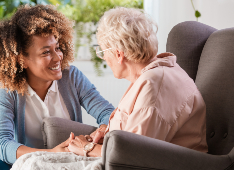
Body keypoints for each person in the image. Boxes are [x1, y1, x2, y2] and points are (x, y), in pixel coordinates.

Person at [0, 4, 115, 170]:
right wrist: (49, 154)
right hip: (26, 164)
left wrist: (101, 131)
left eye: (57, 48)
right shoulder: (7, 88)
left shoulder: (72, 77)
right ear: (21, 59)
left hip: (68, 164)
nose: (57, 57)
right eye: (46, 52)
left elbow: (108, 114)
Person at [67, 7, 208, 157]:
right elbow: (136, 133)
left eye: (102, 52)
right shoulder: (154, 74)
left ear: (118, 54)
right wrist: (107, 134)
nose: (104, 58)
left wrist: (87, 148)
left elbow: (134, 154)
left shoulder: (154, 84)